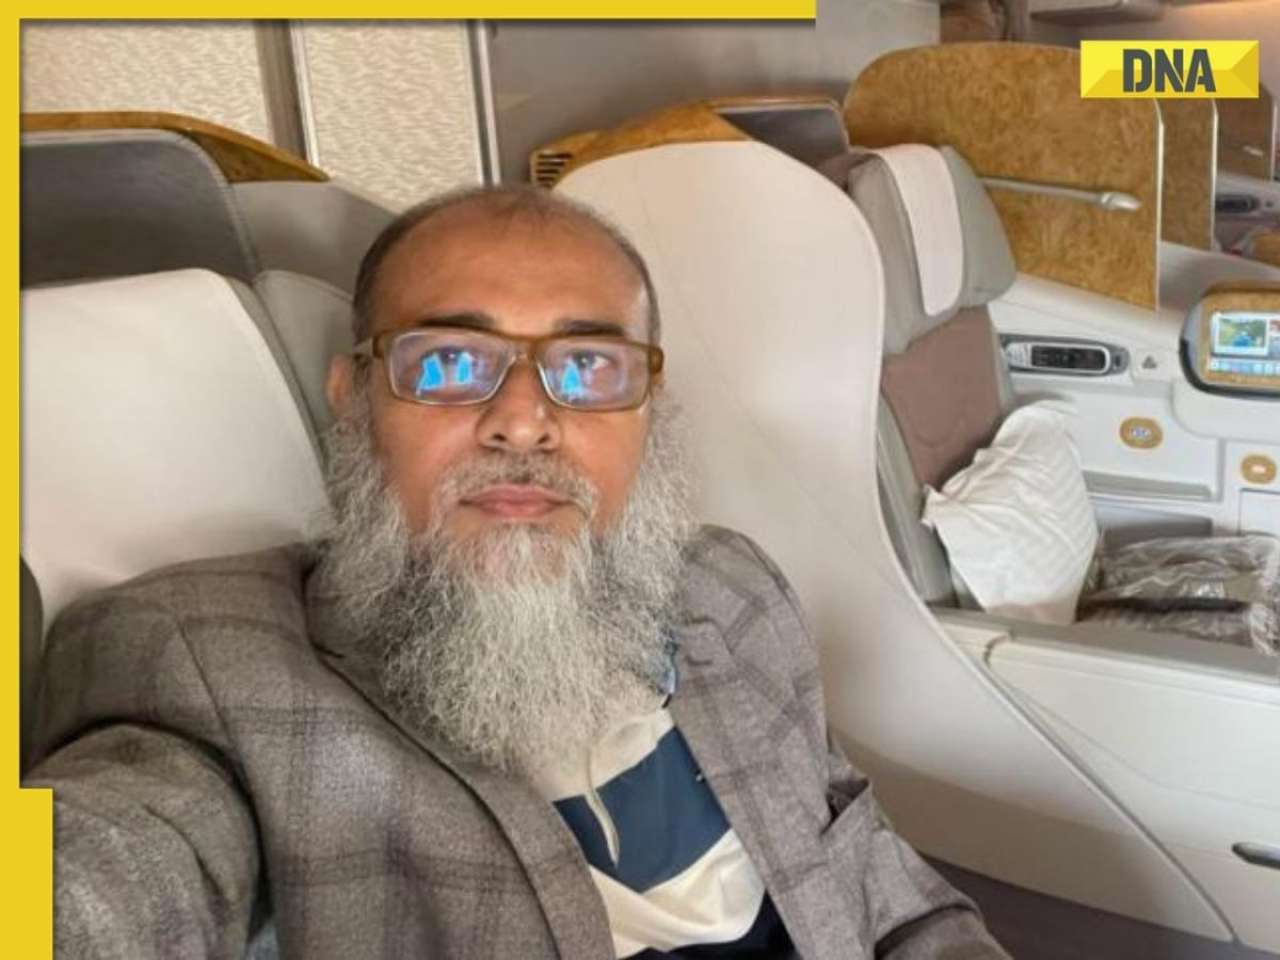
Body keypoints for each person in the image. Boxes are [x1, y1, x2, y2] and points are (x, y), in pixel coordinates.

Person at [27, 185, 1010, 959]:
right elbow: (104, 874)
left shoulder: (729, 585)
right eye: (450, 363)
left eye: (587, 369)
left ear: (648, 409)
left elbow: (877, 883)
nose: (524, 420)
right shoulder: (204, 666)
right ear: (353, 399)